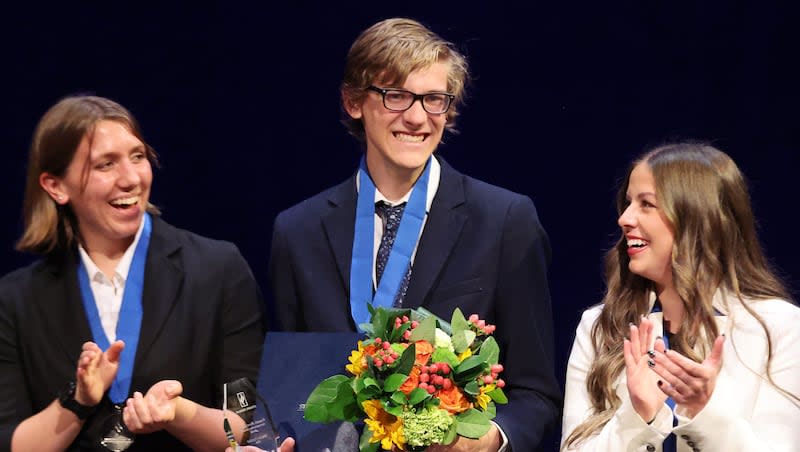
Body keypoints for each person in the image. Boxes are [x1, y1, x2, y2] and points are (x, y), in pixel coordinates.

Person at [268, 17, 561, 451]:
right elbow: (293, 390)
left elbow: (536, 393)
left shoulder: (504, 221)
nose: (417, 117)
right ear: (353, 101)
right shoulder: (298, 232)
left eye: (433, 99)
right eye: (397, 96)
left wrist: (487, 442)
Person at [0, 95, 292, 451]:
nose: (131, 179)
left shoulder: (217, 269)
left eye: (137, 157)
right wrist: (77, 400)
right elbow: (14, 444)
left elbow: (247, 423)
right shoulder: (16, 300)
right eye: (105, 165)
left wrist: (179, 413)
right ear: (56, 186)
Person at [561, 142, 800, 451]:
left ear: (698, 218)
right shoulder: (600, 326)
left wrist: (705, 413)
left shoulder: (780, 328)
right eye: (629, 202)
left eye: (647, 204)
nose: (625, 218)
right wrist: (639, 417)